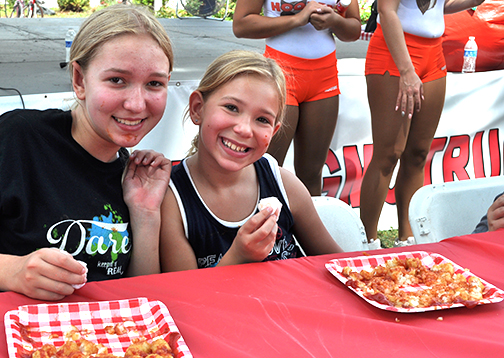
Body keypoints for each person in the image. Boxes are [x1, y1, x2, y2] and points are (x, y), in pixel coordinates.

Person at [0, 4, 174, 301]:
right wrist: (14, 271)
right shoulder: (19, 139)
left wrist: (146, 214)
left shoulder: (134, 179)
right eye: (117, 80)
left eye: (154, 84)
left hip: (85, 344)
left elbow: (140, 298)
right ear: (79, 80)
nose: (137, 104)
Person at [159, 51, 343, 272]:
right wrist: (238, 256)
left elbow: (340, 265)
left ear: (274, 131)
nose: (244, 129)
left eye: (262, 119)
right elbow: (185, 297)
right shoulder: (172, 199)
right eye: (231, 108)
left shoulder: (283, 184)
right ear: (198, 108)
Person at [360, 0, 486, 248]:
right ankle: (367, 241)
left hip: (433, 53)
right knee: (388, 154)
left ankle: (407, 239)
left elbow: (441, 5)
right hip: (394, 52)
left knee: (417, 154)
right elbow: (387, 11)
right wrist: (406, 70)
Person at [232, 0, 361, 196]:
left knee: (311, 174)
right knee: (266, 171)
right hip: (280, 74)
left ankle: (303, 227)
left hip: (324, 78)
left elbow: (354, 30)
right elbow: (241, 25)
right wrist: (296, 20)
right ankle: (259, 225)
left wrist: (335, 21)